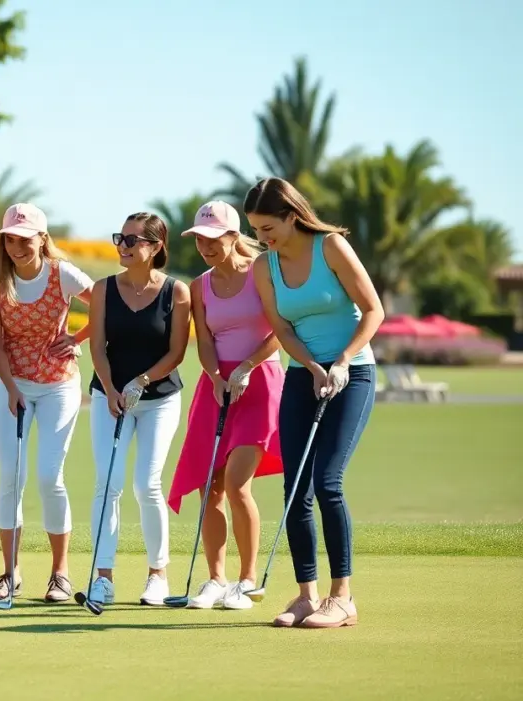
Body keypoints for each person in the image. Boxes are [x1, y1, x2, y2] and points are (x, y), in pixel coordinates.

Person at [246, 177, 384, 629]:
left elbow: (372, 310)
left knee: (328, 481)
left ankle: (342, 597)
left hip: (354, 373)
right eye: (255, 230)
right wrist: (311, 364)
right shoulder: (264, 267)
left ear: (291, 215)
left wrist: (342, 361)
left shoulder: (331, 248)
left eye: (268, 227)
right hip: (302, 375)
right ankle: (306, 596)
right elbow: (282, 329)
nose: (262, 238)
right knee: (295, 488)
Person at [166, 201, 284, 610]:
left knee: (236, 484)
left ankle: (247, 581)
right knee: (208, 486)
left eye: (214, 238)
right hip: (216, 386)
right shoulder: (199, 285)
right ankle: (216, 579)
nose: (206, 246)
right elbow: (204, 341)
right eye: (199, 238)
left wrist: (248, 366)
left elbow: (282, 330)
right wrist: (216, 378)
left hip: (260, 382)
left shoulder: (263, 273)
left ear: (234, 236)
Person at [0, 202, 94, 603]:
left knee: (49, 475)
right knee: (11, 475)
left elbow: (106, 306)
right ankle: (10, 574)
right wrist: (11, 387)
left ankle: (60, 574)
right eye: (10, 238)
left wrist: (77, 339)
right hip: (8, 383)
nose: (16, 246)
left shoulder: (63, 274)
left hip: (58, 384)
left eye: (25, 239)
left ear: (42, 239)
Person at [87, 212, 190, 606]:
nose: (123, 247)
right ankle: (103, 577)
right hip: (109, 398)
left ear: (156, 246)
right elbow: (97, 347)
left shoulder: (176, 292)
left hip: (159, 397)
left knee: (147, 484)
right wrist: (112, 389)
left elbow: (177, 352)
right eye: (120, 239)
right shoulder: (103, 289)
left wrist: (141, 381)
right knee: (107, 484)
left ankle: (157, 574)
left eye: (133, 240)